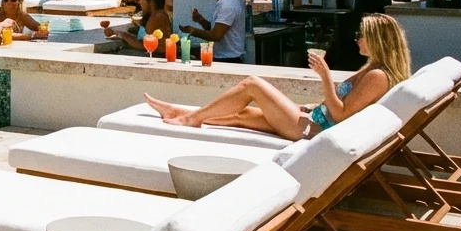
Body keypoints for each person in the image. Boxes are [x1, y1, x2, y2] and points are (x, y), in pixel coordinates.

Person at [143, 13, 410, 140]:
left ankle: (190, 118)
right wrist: (308, 106)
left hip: (314, 131)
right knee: (243, 115)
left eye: (361, 35)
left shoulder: (377, 76)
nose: (357, 40)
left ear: (376, 40)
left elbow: (341, 115)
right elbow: (337, 109)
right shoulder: (372, 68)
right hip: (312, 118)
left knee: (252, 85)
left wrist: (325, 77)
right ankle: (179, 112)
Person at [179, 0, 246, 64]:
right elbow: (219, 30)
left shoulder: (228, 4)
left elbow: (216, 36)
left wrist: (192, 31)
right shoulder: (224, 2)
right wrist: (202, 21)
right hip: (224, 58)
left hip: (229, 61)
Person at [104, 0, 172, 49]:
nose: (140, 2)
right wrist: (119, 33)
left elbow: (143, 45)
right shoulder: (155, 14)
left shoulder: (158, 16)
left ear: (151, 2)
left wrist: (122, 34)